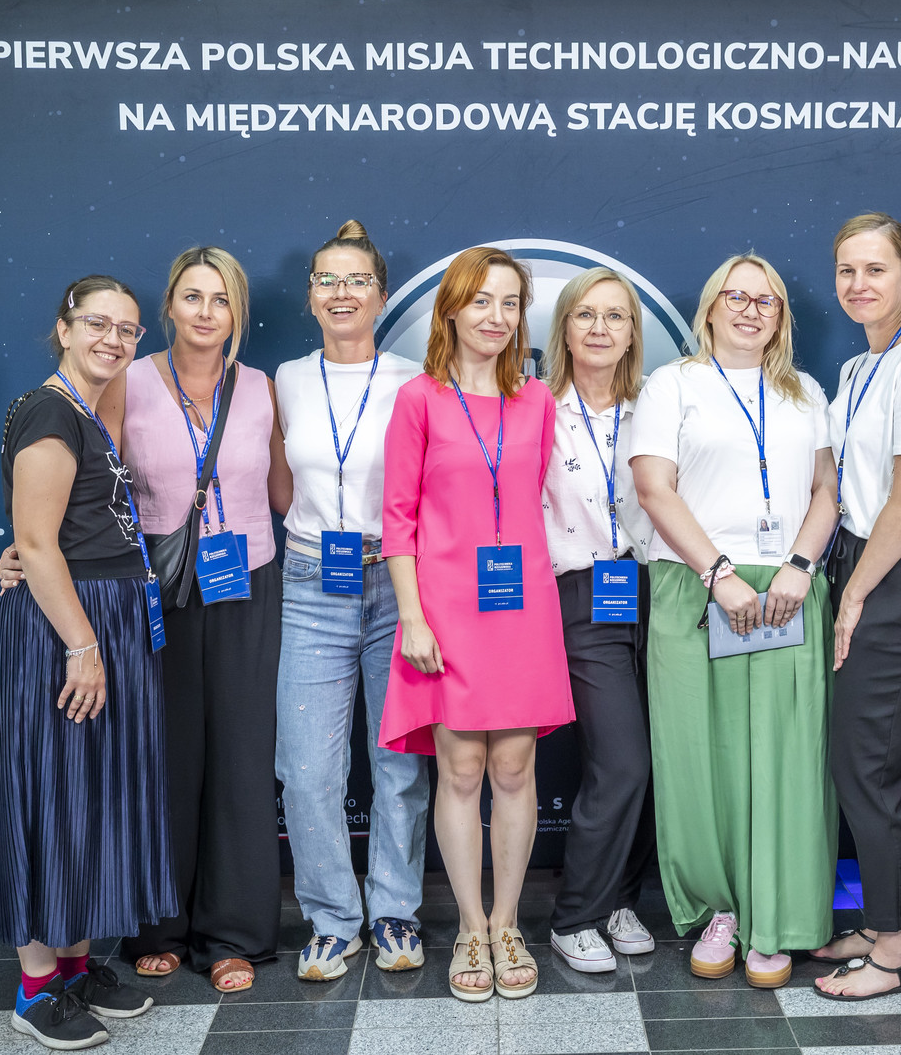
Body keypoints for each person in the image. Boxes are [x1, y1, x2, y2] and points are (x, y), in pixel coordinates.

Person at [0, 249, 290, 994]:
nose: (205, 311)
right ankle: (158, 928)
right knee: (161, 755)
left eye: (220, 299)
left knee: (241, 757)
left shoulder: (262, 387)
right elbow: (94, 488)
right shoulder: (128, 379)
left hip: (247, 580)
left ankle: (233, 934)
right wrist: (27, 547)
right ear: (168, 307)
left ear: (238, 312)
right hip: (152, 590)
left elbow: (286, 492)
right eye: (191, 296)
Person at [631, 252, 838, 990]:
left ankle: (776, 916)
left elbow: (826, 490)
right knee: (700, 756)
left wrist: (801, 565)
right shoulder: (672, 385)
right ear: (711, 307)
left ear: (780, 317)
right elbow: (654, 488)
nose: (751, 311)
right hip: (697, 586)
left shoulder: (805, 392)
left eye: (766, 300)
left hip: (786, 589)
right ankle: (720, 909)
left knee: (786, 757)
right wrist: (718, 574)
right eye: (736, 297)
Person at [378, 246, 574, 1002]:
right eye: (482, 301)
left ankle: (507, 924)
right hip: (445, 609)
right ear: (452, 309)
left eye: (510, 303)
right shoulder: (418, 399)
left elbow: (536, 499)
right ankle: (469, 927)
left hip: (521, 607)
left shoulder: (538, 400)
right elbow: (398, 519)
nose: (496, 316)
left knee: (515, 769)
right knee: (460, 771)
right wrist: (413, 617)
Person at [0, 275, 173, 1050]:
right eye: (97, 324)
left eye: (127, 329)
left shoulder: (88, 408)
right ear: (62, 328)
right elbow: (35, 544)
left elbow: (45, 533)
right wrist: (83, 646)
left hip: (101, 620)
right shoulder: (51, 414)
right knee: (50, 798)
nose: (113, 340)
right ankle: (35, 991)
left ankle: (72, 968)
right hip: (66, 634)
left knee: (89, 798)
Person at [274, 221, 430, 982]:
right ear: (310, 297)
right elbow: (275, 484)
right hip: (312, 583)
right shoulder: (284, 380)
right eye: (327, 281)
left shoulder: (416, 379)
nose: (342, 293)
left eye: (357, 280)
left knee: (399, 763)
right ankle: (333, 920)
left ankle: (395, 911)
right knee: (307, 770)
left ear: (381, 294)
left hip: (399, 583)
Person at [813, 213, 901, 1001]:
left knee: (868, 765)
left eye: (874, 269)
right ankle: (877, 921)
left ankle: (897, 952)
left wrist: (855, 594)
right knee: (856, 762)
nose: (858, 284)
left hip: (898, 573)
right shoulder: (860, 366)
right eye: (846, 270)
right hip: (860, 561)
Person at [540, 268, 657, 973]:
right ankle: (575, 915)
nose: (600, 328)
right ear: (564, 327)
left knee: (656, 761)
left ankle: (619, 900)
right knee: (621, 761)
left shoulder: (657, 409)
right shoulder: (538, 410)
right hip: (581, 592)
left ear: (633, 332)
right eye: (585, 314)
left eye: (615, 316)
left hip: (658, 589)